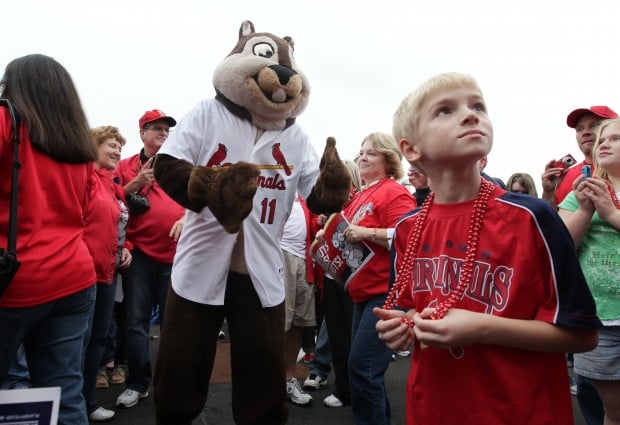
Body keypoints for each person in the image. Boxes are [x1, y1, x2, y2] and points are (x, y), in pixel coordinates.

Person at [375, 72, 601, 425]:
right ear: (411, 149)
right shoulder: (407, 228)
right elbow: (410, 308)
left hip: (521, 410)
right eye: (445, 110)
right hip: (433, 407)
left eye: (478, 105)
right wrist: (401, 326)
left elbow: (583, 334)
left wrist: (481, 327)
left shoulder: (532, 217)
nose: (470, 114)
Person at [0, 53, 99, 424]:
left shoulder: (6, 121)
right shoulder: (78, 146)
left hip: (15, 282)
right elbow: (86, 211)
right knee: (65, 395)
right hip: (74, 279)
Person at [318, 132, 415, 423]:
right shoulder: (361, 195)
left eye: (371, 153)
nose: (362, 157)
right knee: (362, 369)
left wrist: (368, 233)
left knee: (363, 368)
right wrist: (329, 232)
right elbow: (345, 231)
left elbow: (410, 234)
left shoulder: (395, 192)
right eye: (361, 152)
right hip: (362, 293)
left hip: (385, 293)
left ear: (388, 158)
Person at [542, 105, 617, 424]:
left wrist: (611, 214)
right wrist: (585, 210)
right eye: (602, 138)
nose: (602, 142)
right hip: (601, 317)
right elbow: (560, 247)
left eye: (615, 137)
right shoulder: (580, 190)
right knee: (613, 412)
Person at [113, 109, 185, 409]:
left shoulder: (180, 166)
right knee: (135, 322)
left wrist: (188, 219)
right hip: (139, 254)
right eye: (156, 129)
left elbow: (196, 200)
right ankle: (138, 382)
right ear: (142, 132)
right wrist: (137, 183)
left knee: (174, 325)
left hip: (174, 256)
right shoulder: (126, 165)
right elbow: (111, 200)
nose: (163, 134)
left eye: (166, 130)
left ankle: (171, 385)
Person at [82, 125, 132, 421]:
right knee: (80, 342)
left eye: (119, 148)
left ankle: (85, 402)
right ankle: (69, 405)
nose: (117, 151)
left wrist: (127, 247)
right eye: (111, 145)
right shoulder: (85, 177)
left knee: (98, 340)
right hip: (84, 273)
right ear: (94, 145)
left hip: (108, 274)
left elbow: (119, 223)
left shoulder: (112, 185)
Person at [304, 158, 363, 408]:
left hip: (354, 280)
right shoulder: (329, 203)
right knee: (337, 336)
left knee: (353, 339)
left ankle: (356, 389)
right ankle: (343, 388)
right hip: (331, 277)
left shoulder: (361, 202)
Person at [542, 106, 618, 209]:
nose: (585, 132)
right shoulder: (564, 176)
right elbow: (555, 223)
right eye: (579, 129)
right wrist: (549, 193)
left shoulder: (615, 171)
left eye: (594, 125)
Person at [281, 194, 317, 406]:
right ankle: (271, 382)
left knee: (298, 323)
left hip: (305, 260)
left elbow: (310, 222)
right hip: (280, 255)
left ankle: (287, 379)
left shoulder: (304, 192)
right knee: (280, 324)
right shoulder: (273, 180)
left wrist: (318, 221)